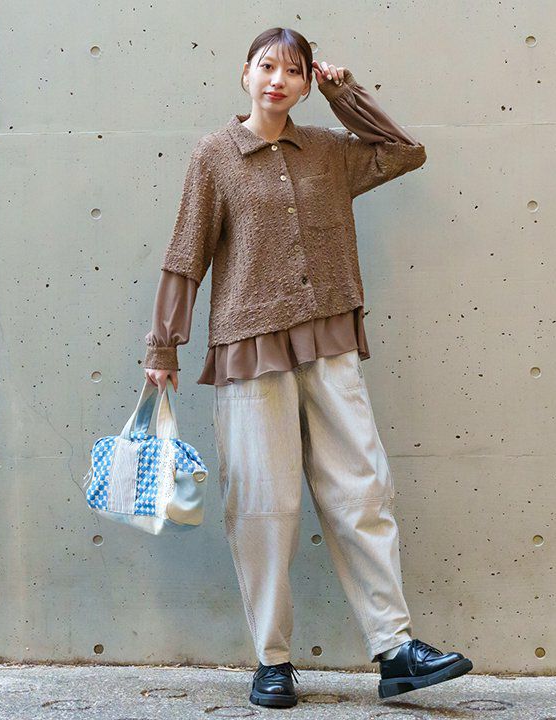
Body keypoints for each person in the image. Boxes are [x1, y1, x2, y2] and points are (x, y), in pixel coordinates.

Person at [144, 26, 473, 708]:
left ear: (304, 84)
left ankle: (395, 649)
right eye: (268, 67)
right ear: (245, 74)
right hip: (250, 346)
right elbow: (186, 253)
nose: (278, 80)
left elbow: (403, 152)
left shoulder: (329, 149)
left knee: (362, 490)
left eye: (294, 71)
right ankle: (273, 659)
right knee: (264, 506)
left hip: (330, 339)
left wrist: (344, 94)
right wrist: (164, 346)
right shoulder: (214, 156)